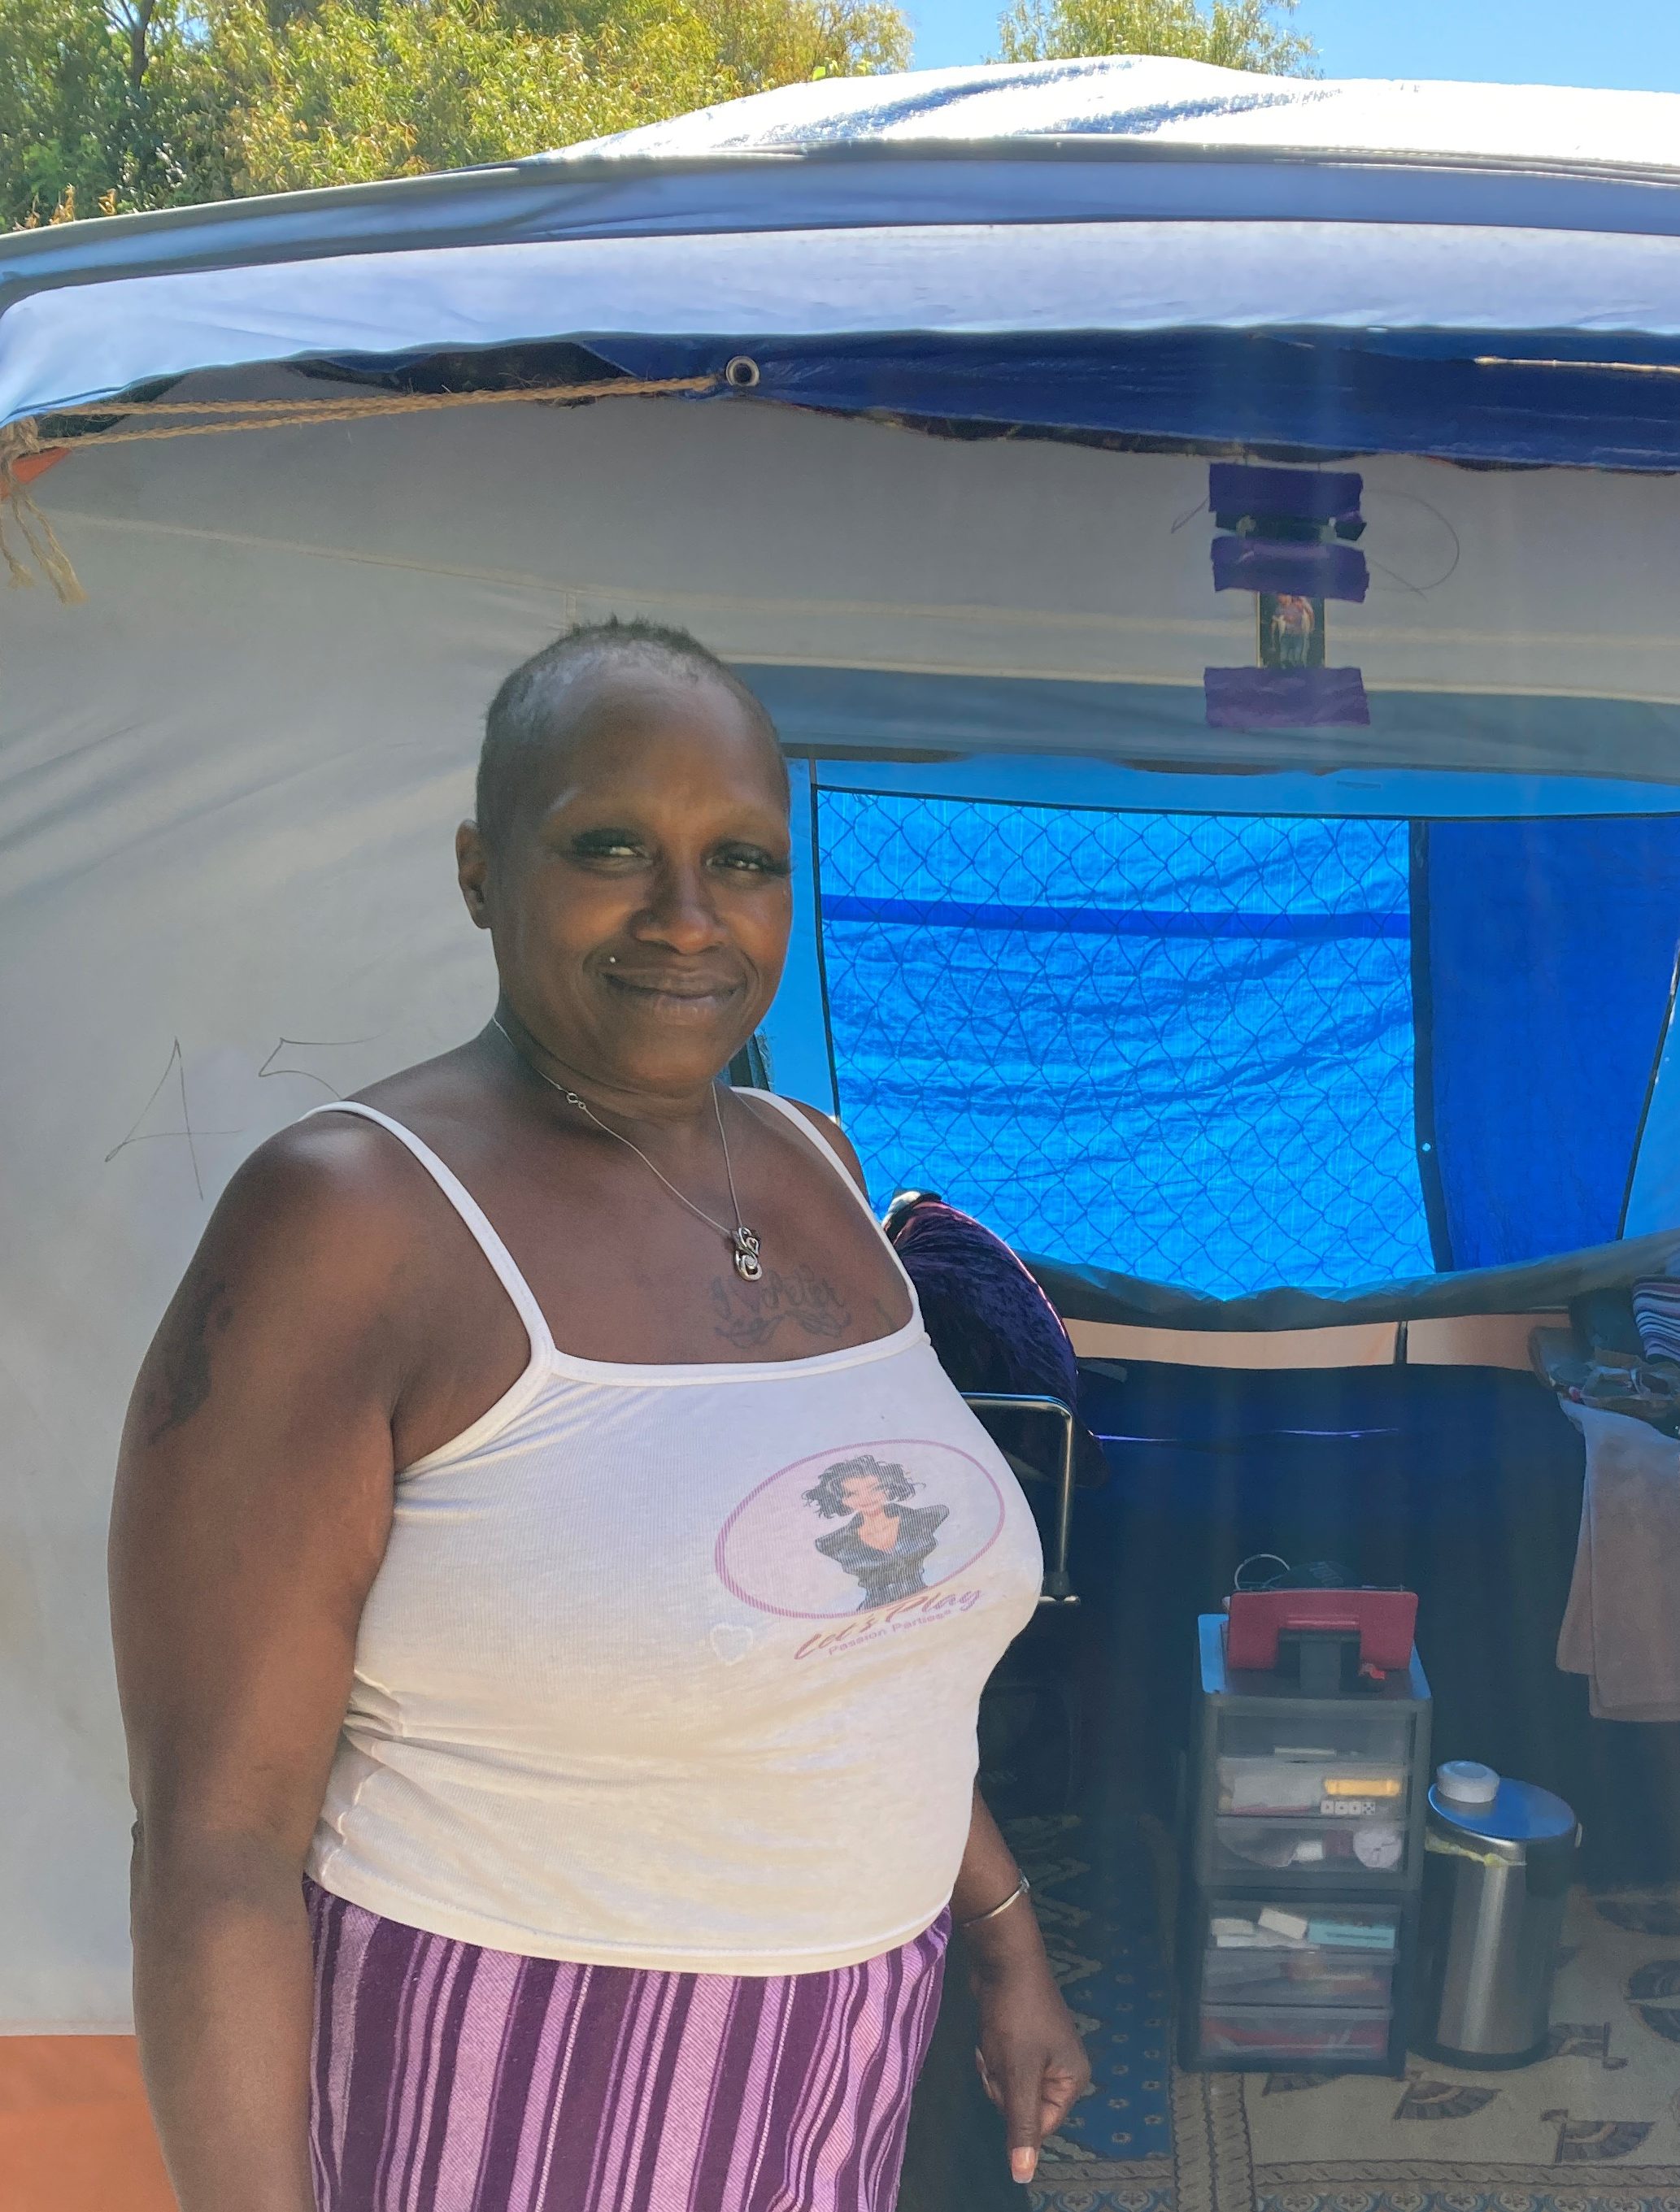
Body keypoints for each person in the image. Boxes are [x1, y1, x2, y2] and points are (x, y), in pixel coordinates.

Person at [110, 619, 1090, 2212]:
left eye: (742, 860)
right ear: (480, 869)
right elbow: (213, 1849)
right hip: (513, 2082)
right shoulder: (349, 1222)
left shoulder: (815, 1164)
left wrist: (1002, 1932)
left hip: (838, 2066)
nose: (686, 914)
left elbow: (857, 1647)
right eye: (611, 845)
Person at [805, 1452, 951, 1609]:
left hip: (926, 1603)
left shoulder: (925, 1518)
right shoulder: (834, 1543)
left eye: (875, 1489)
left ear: (887, 1488)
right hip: (873, 1613)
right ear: (842, 1500)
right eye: (853, 1494)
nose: (866, 1498)